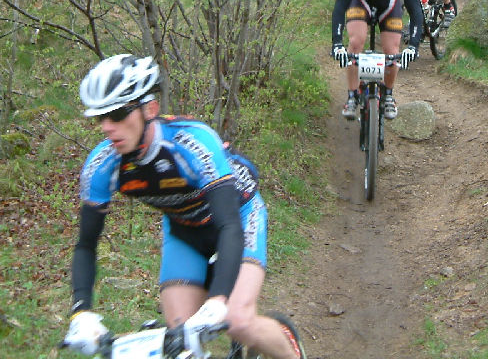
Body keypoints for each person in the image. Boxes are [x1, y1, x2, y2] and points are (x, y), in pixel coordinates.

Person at [63, 55, 306, 359]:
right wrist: (81, 311)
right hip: (184, 231)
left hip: (239, 219)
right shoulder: (102, 165)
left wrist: (218, 301)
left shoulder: (192, 142)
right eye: (101, 118)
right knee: (178, 341)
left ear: (149, 109)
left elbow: (229, 226)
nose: (107, 127)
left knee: (237, 320)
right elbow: (86, 244)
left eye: (118, 113)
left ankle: (291, 351)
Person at [331, 0, 423, 120]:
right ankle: (352, 95)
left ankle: (388, 95)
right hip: (361, 1)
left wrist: (413, 47)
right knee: (356, 43)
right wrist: (337, 44)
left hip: (388, 3)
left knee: (392, 50)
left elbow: (416, 11)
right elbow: (340, 6)